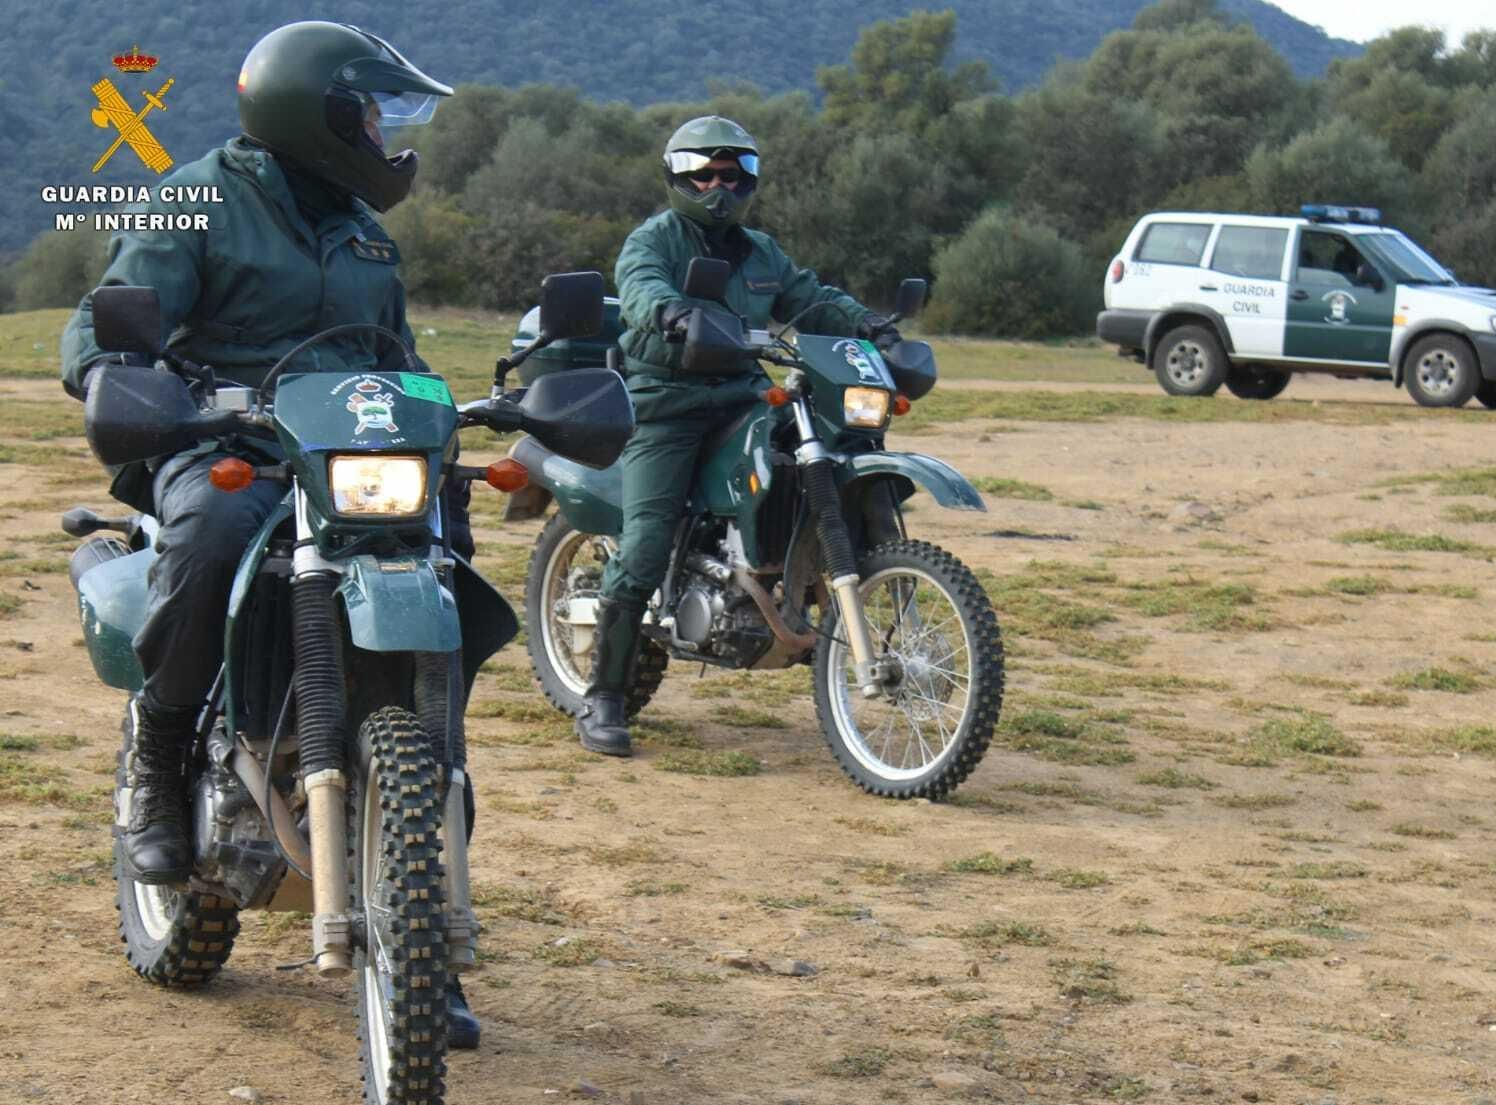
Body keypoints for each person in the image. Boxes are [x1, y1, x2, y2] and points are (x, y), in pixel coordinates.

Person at [60, 21, 481, 1047]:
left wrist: (459, 412)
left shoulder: (362, 230)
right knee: (210, 535)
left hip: (342, 454)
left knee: (445, 576)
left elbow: (398, 355)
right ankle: (161, 757)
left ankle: (426, 930)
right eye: (369, 113)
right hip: (223, 439)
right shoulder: (197, 198)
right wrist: (143, 381)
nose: (384, 133)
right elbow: (98, 331)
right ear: (319, 118)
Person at [576, 115, 902, 757]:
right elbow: (640, 288)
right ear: (677, 176)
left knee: (824, 451)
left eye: (732, 174)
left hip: (741, 393)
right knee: (644, 543)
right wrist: (667, 311)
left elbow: (809, 296)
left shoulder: (759, 250)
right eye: (703, 174)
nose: (717, 187)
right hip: (664, 404)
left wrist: (869, 324)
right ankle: (604, 696)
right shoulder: (655, 240)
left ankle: (799, 579)